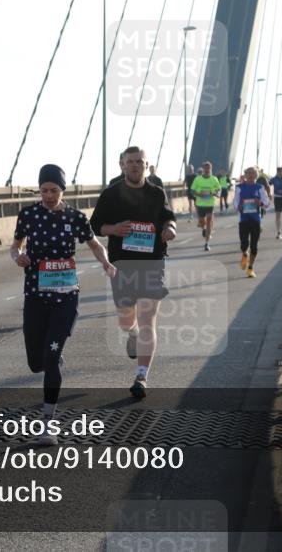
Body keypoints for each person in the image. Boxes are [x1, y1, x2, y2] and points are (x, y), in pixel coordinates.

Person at [10, 164, 115, 445]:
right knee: (36, 362)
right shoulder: (28, 215)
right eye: (44, 190)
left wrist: (105, 262)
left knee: (51, 358)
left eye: (53, 190)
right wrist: (17, 256)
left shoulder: (75, 217)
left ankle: (48, 425)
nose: (48, 195)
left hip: (66, 295)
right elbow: (15, 245)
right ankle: (48, 359)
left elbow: (94, 244)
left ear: (62, 191)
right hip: (35, 293)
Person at [90, 146, 177, 400]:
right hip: (122, 264)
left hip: (152, 263)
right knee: (127, 317)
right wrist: (113, 229)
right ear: (122, 165)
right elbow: (95, 226)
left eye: (140, 161)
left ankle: (141, 376)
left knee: (149, 319)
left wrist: (170, 229)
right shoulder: (111, 194)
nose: (135, 165)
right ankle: (132, 333)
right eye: (130, 162)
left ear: (147, 165)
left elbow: (169, 219)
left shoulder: (156, 193)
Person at [234, 167, 271, 278]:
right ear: (245, 175)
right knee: (244, 244)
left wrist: (259, 202)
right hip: (243, 219)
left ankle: (250, 268)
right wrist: (238, 206)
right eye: (248, 173)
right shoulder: (239, 188)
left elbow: (267, 203)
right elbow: (235, 203)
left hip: (255, 219)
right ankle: (245, 254)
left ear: (257, 175)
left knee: (254, 245)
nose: (250, 175)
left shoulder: (260, 188)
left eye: (253, 173)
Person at [190, 161, 221, 251]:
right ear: (203, 170)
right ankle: (203, 228)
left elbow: (219, 189)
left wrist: (217, 193)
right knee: (202, 222)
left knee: (209, 221)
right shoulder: (198, 179)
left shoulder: (214, 179)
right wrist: (200, 195)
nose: (207, 170)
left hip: (210, 204)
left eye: (209, 169)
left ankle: (207, 243)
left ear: (211, 169)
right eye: (205, 169)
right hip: (200, 204)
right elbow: (192, 190)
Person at [270, 167, 282, 239]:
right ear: (277, 172)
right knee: (277, 215)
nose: (281, 173)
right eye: (280, 172)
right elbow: (268, 185)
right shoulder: (273, 179)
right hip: (277, 198)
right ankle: (279, 232)